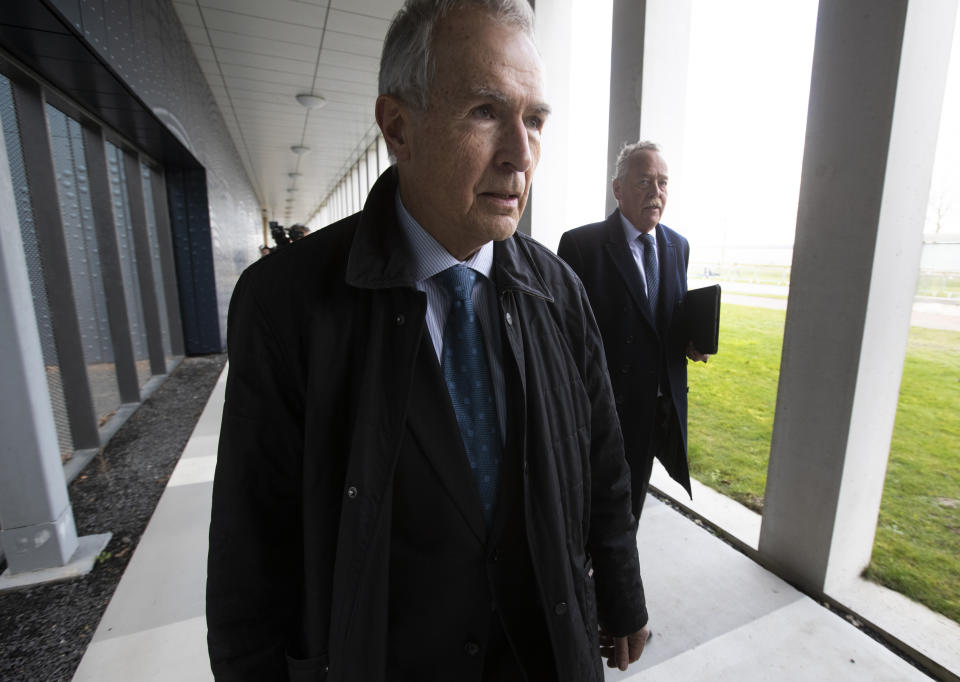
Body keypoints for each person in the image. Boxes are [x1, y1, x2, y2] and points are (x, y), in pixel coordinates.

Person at [206, 2, 649, 681]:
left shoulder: (559, 290)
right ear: (398, 126)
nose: (521, 154)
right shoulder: (286, 305)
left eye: (534, 119)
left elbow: (602, 459)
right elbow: (251, 550)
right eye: (484, 112)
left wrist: (620, 595)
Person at [557, 141, 708, 521]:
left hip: (659, 410)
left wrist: (689, 340)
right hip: (606, 413)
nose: (656, 193)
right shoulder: (582, 245)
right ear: (618, 189)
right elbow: (563, 340)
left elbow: (661, 320)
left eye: (663, 183)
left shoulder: (678, 246)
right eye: (644, 181)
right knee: (592, 513)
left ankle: (616, 577)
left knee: (631, 511)